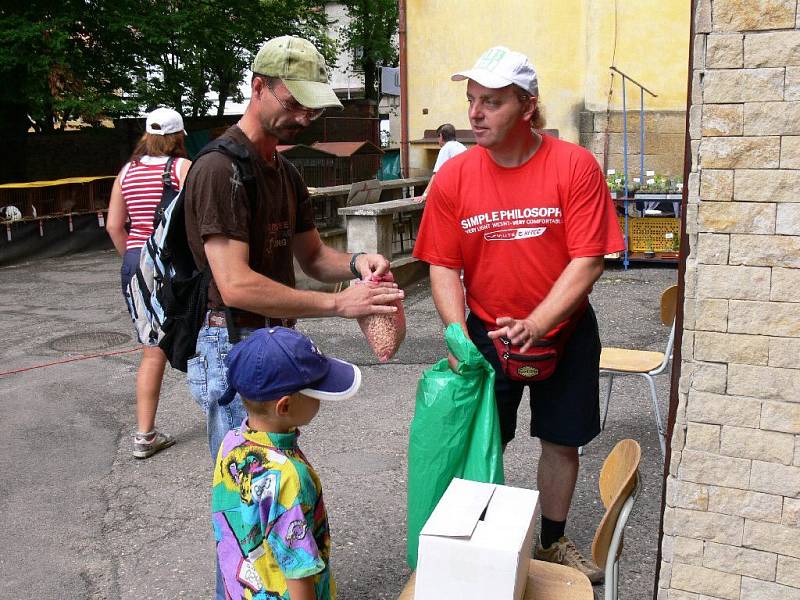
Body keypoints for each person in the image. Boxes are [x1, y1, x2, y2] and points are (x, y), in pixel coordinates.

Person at [412, 46, 625, 584]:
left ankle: (551, 542)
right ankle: (484, 546)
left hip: (566, 332)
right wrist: (457, 332)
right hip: (485, 331)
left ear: (527, 107)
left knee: (561, 440)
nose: (476, 114)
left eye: (492, 102)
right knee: (484, 437)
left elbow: (588, 259)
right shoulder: (456, 176)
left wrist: (537, 323)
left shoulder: (573, 165)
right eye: (471, 101)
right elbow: (441, 264)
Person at [184, 35, 404, 460]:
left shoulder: (284, 172)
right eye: (294, 103)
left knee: (280, 469)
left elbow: (315, 258)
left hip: (274, 336)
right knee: (252, 483)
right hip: (233, 337)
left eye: (313, 108)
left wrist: (359, 263)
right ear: (258, 87)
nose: (304, 118)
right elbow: (236, 286)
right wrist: (340, 306)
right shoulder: (219, 169)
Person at [212, 327, 359, 600]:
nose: (321, 399)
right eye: (316, 392)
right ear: (285, 406)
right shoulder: (288, 476)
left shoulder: (232, 443)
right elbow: (297, 568)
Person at [107, 107, 191, 459]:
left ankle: (145, 434)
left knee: (151, 347)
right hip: (172, 262)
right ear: (179, 136)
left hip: (135, 260)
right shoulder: (181, 168)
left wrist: (136, 259)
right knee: (203, 331)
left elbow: (114, 226)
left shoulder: (126, 172)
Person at [418, 123, 466, 202]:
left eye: (438, 137)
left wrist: (425, 195)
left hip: (455, 193)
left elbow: (436, 174)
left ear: (441, 136)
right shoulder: (462, 146)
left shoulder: (446, 148)